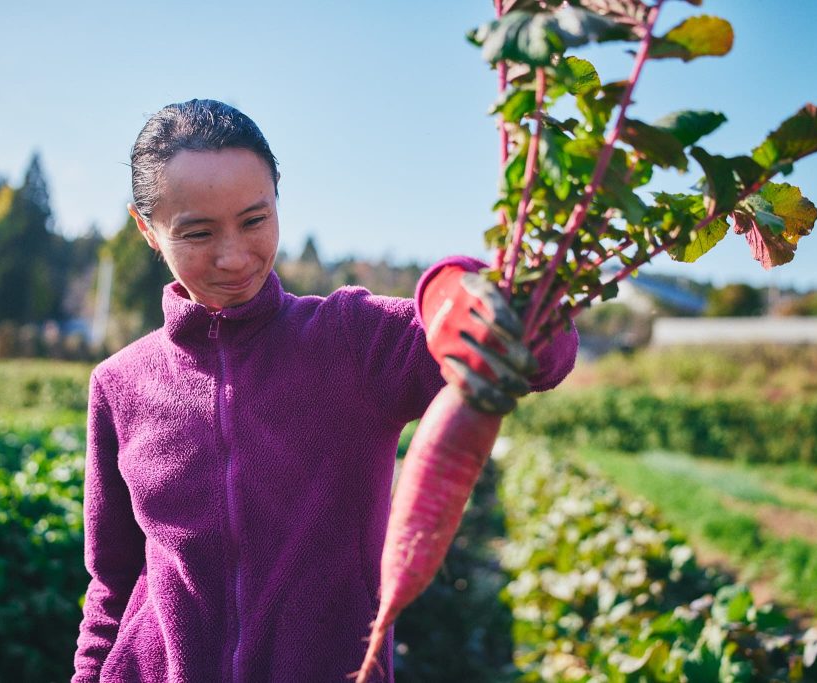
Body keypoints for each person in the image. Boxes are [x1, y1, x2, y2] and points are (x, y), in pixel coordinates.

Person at [72, 99, 578, 683]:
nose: (234, 255)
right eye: (198, 232)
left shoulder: (352, 340)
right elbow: (112, 581)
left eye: (255, 220)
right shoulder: (119, 383)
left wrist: (478, 298)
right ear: (148, 229)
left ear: (278, 200)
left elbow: (541, 358)